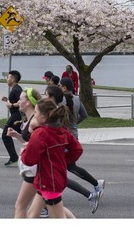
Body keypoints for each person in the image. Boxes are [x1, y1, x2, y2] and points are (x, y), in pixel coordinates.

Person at [21, 98, 83, 218]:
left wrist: (24, 152)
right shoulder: (61, 131)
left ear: (43, 117)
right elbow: (77, 149)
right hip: (50, 179)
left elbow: (28, 160)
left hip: (49, 183)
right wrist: (62, 161)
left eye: (36, 112)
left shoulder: (41, 134)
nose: (34, 115)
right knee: (32, 215)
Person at [45, 84, 101, 214]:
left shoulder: (55, 111)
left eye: (46, 94)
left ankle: (91, 191)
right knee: (57, 174)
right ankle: (48, 203)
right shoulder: (63, 105)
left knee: (58, 175)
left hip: (61, 144)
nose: (44, 96)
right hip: (66, 140)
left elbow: (53, 130)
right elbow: (84, 115)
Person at [6, 87, 42, 218]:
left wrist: (28, 146)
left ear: (27, 103)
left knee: (20, 206)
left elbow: (40, 142)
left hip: (34, 169)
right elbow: (30, 140)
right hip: (33, 168)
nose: (18, 102)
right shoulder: (30, 119)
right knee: (53, 205)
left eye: (20, 99)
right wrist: (17, 136)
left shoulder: (35, 121)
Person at [0, 70, 23, 167]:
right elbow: (17, 101)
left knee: (6, 135)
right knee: (25, 135)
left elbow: (22, 101)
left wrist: (11, 104)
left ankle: (14, 158)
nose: (7, 79)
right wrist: (7, 100)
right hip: (17, 115)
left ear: (13, 79)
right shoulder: (15, 89)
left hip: (16, 115)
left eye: (8, 77)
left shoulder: (16, 90)